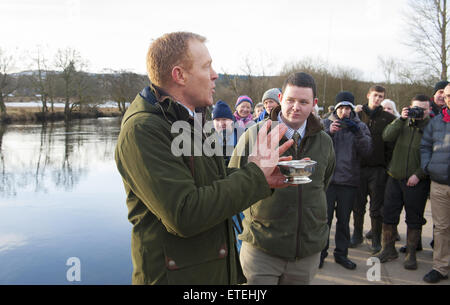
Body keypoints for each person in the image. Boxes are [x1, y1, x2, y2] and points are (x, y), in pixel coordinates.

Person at [114, 31, 293, 285]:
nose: (215, 74)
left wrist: (265, 177)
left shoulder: (196, 119)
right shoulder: (142, 129)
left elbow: (212, 181)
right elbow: (185, 214)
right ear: (180, 75)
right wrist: (254, 174)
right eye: (207, 66)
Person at [229, 72, 336, 285]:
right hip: (262, 248)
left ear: (314, 103)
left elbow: (324, 182)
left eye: (303, 102)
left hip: (306, 252)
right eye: (290, 100)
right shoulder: (254, 135)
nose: (296, 107)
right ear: (280, 100)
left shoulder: (325, 141)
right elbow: (234, 181)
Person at [376, 94, 432, 270]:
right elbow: (386, 136)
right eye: (416, 108)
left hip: (417, 180)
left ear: (429, 110)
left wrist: (419, 174)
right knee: (389, 214)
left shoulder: (432, 127)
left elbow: (434, 155)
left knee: (414, 218)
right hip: (395, 176)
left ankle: (411, 253)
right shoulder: (403, 122)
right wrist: (401, 118)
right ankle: (388, 249)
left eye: (423, 109)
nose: (419, 112)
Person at [320, 91, 372, 270]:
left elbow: (366, 152)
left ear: (352, 109)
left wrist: (357, 132)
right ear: (335, 108)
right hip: (327, 181)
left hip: (348, 181)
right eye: (340, 108)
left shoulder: (360, 126)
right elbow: (316, 149)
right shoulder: (325, 123)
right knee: (323, 221)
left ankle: (341, 255)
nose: (344, 112)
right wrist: (329, 133)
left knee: (343, 221)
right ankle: (320, 254)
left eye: (347, 108)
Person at [351, 85, 396, 254]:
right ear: (368, 95)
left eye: (381, 96)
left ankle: (376, 238)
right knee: (358, 205)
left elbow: (391, 145)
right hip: (358, 168)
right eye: (375, 95)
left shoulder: (387, 118)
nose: (377, 99)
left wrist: (387, 166)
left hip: (378, 169)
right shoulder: (357, 115)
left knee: (377, 208)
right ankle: (356, 235)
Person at [420, 84, 450, 284]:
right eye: (447, 95)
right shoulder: (437, 121)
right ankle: (441, 267)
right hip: (439, 183)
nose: (449, 98)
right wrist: (428, 166)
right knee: (441, 227)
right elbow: (425, 146)